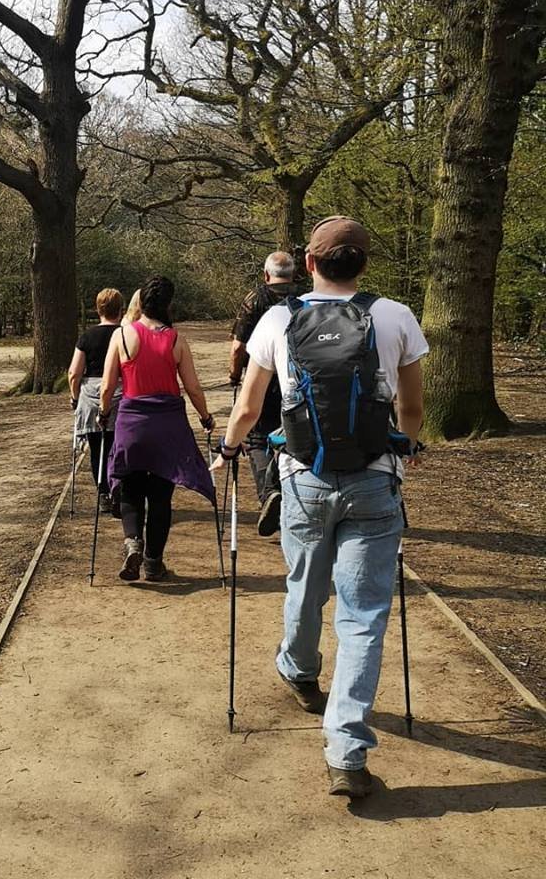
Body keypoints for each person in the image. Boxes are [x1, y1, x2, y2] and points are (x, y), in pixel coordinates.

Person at [212, 216, 427, 798]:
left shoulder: (278, 319)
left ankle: (299, 669)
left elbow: (250, 406)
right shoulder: (395, 315)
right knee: (364, 615)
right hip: (374, 480)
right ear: (363, 263)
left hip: (304, 478)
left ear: (309, 263)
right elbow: (411, 407)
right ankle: (347, 753)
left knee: (305, 584)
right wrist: (403, 453)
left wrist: (228, 450)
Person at [100, 275, 216, 582]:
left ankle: (132, 542)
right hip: (168, 424)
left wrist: (103, 412)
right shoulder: (176, 339)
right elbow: (192, 386)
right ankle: (153, 562)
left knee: (130, 487)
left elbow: (108, 386)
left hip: (132, 422)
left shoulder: (122, 336)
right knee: (161, 495)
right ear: (168, 304)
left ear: (141, 303)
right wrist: (206, 417)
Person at [229, 251, 300, 537]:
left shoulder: (255, 299)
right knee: (293, 436)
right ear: (293, 274)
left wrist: (235, 375)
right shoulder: (305, 298)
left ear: (266, 274)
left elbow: (238, 346)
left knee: (257, 439)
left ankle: (269, 494)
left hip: (262, 379)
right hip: (295, 380)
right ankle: (291, 496)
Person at [69, 288, 125, 515]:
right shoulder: (125, 335)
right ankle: (118, 487)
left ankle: (102, 492)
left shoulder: (86, 337)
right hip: (122, 394)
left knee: (96, 448)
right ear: (120, 310)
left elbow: (74, 373)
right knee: (119, 446)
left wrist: (74, 398)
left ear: (97, 309)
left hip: (91, 397)